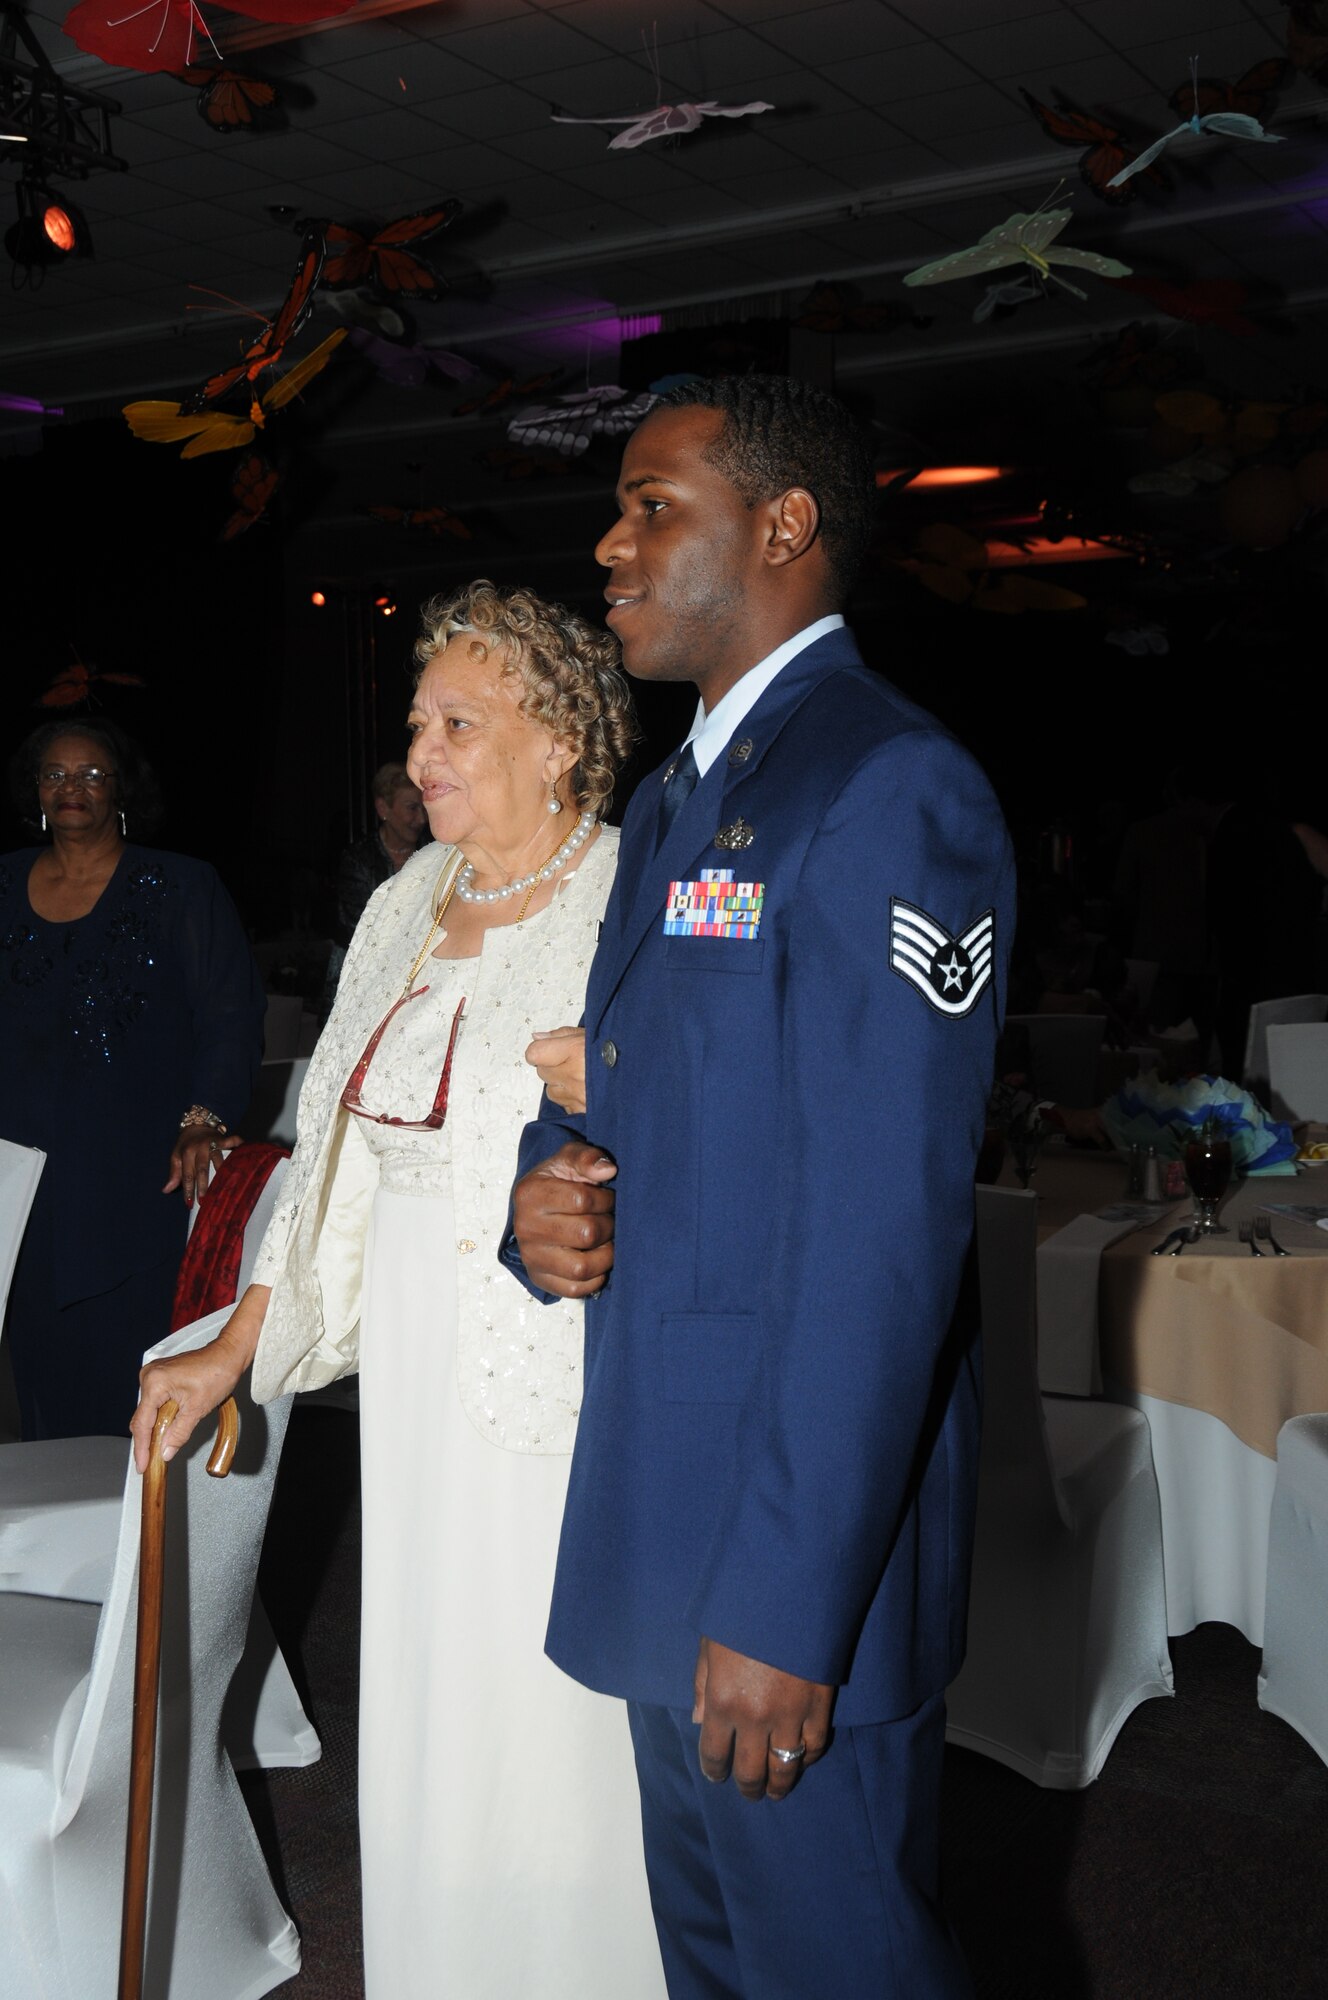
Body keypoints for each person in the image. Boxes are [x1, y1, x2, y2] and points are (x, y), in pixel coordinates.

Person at [509, 377, 1016, 1999]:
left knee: (833, 1968)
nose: (611, 539)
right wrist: (548, 1194)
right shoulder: (677, 799)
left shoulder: (882, 786)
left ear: (783, 530)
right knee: (725, 1971)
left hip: (787, 1556)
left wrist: (791, 1608)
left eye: (654, 503)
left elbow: (883, 1237)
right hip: (671, 1505)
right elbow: (620, 1068)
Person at [130, 582, 666, 2000]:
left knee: (552, 1703)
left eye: (458, 724)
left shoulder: (635, 895)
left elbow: (737, 1124)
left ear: (560, 742)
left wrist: (623, 1086)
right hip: (423, 1363)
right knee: (431, 1681)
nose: (420, 753)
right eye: (419, 723)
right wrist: (234, 1343)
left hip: (566, 1362)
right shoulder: (403, 901)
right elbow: (328, 1166)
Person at [0, 719, 264, 1441]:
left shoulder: (178, 886)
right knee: (40, 1376)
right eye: (55, 774)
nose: (71, 788)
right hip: (23, 1177)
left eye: (90, 774)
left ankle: (138, 1539)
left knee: (129, 1373)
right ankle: (69, 1537)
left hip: (133, 1172)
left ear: (120, 790)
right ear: (36, 791)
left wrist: (204, 1116)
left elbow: (229, 1013)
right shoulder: (3, 883)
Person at [321, 762, 428, 1015]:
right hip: (358, 983)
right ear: (383, 808)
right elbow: (359, 930)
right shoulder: (358, 859)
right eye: (412, 808)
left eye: (423, 808)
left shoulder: (432, 853)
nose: (421, 819)